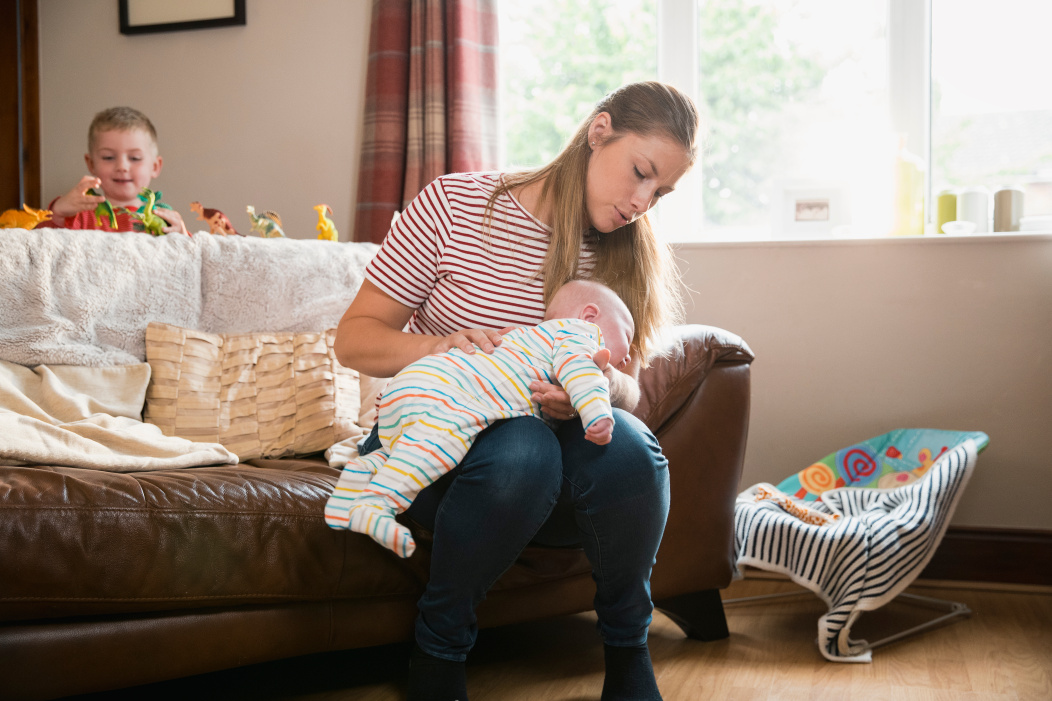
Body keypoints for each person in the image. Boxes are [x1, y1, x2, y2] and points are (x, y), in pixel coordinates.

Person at [334, 81, 697, 701]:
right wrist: (438, 345)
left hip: (559, 479)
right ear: (598, 131)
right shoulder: (454, 205)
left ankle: (628, 653)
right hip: (440, 453)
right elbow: (354, 339)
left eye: (659, 192)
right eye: (640, 173)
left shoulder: (625, 254)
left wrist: (600, 387)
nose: (642, 201)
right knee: (524, 444)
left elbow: (631, 392)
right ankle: (439, 651)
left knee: (633, 446)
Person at [324, 279, 635, 558]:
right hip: (454, 399)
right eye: (626, 335)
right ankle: (378, 506)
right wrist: (596, 411)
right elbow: (581, 373)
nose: (630, 357)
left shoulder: (524, 337)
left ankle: (354, 488)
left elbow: (625, 385)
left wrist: (611, 386)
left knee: (401, 450)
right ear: (590, 316)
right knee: (439, 447)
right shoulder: (581, 333)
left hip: (412, 386)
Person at [42, 106, 188, 235]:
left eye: (135, 158)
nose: (122, 167)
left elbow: (193, 259)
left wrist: (182, 236)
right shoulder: (77, 218)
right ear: (91, 164)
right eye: (108, 157)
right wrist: (58, 212)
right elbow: (37, 250)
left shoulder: (164, 220)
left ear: (155, 167)